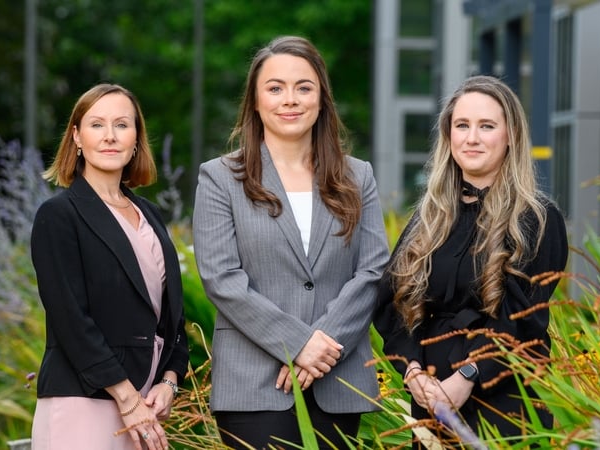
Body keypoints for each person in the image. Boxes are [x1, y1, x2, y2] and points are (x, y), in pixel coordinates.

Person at [192, 36, 389, 449]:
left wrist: (322, 347)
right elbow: (222, 279)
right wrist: (297, 344)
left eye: (304, 87)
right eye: (275, 87)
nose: (290, 99)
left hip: (337, 382)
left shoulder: (358, 177)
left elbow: (373, 272)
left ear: (321, 99)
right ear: (256, 100)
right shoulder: (220, 178)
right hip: (254, 386)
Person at [374, 75, 568, 442]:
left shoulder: (537, 218)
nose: (472, 138)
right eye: (462, 125)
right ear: (448, 136)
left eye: (487, 126)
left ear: (511, 136)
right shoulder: (429, 217)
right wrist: (411, 371)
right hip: (430, 395)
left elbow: (523, 317)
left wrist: (468, 375)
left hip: (502, 396)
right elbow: (391, 301)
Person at [30, 83, 189, 450]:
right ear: (77, 137)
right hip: (84, 400)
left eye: (122, 124)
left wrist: (169, 380)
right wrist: (127, 398)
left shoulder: (150, 215)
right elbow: (70, 319)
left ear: (136, 138)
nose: (110, 136)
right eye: (97, 124)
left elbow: (172, 315)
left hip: (146, 403)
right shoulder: (58, 215)